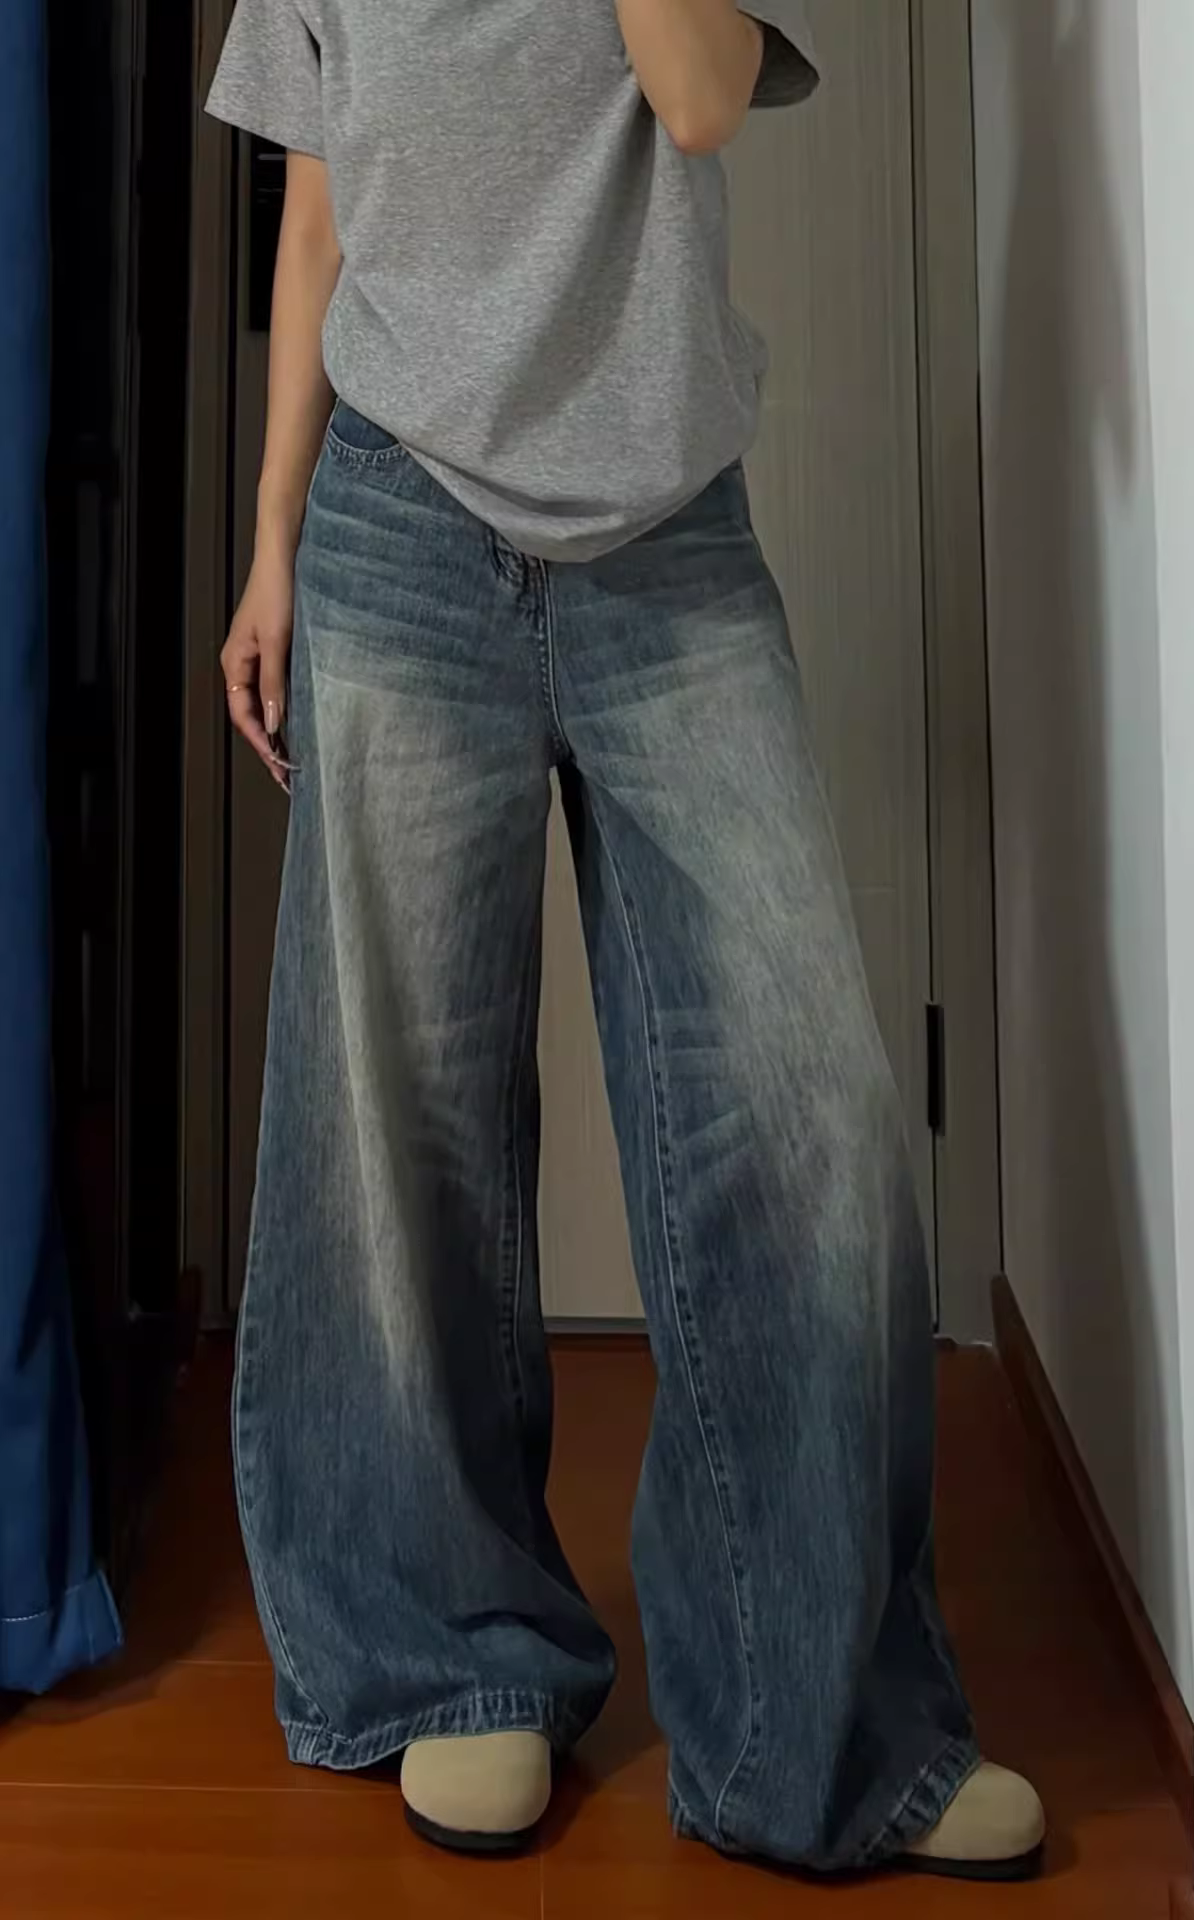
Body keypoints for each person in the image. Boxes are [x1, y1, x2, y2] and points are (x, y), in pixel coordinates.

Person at [206, 0, 1044, 1883]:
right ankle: (452, 1658)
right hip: (394, 529)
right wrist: (270, 537)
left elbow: (702, 92)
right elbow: (318, 206)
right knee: (396, 1120)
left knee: (811, 1116)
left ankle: (818, 1728)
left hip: (668, 544)